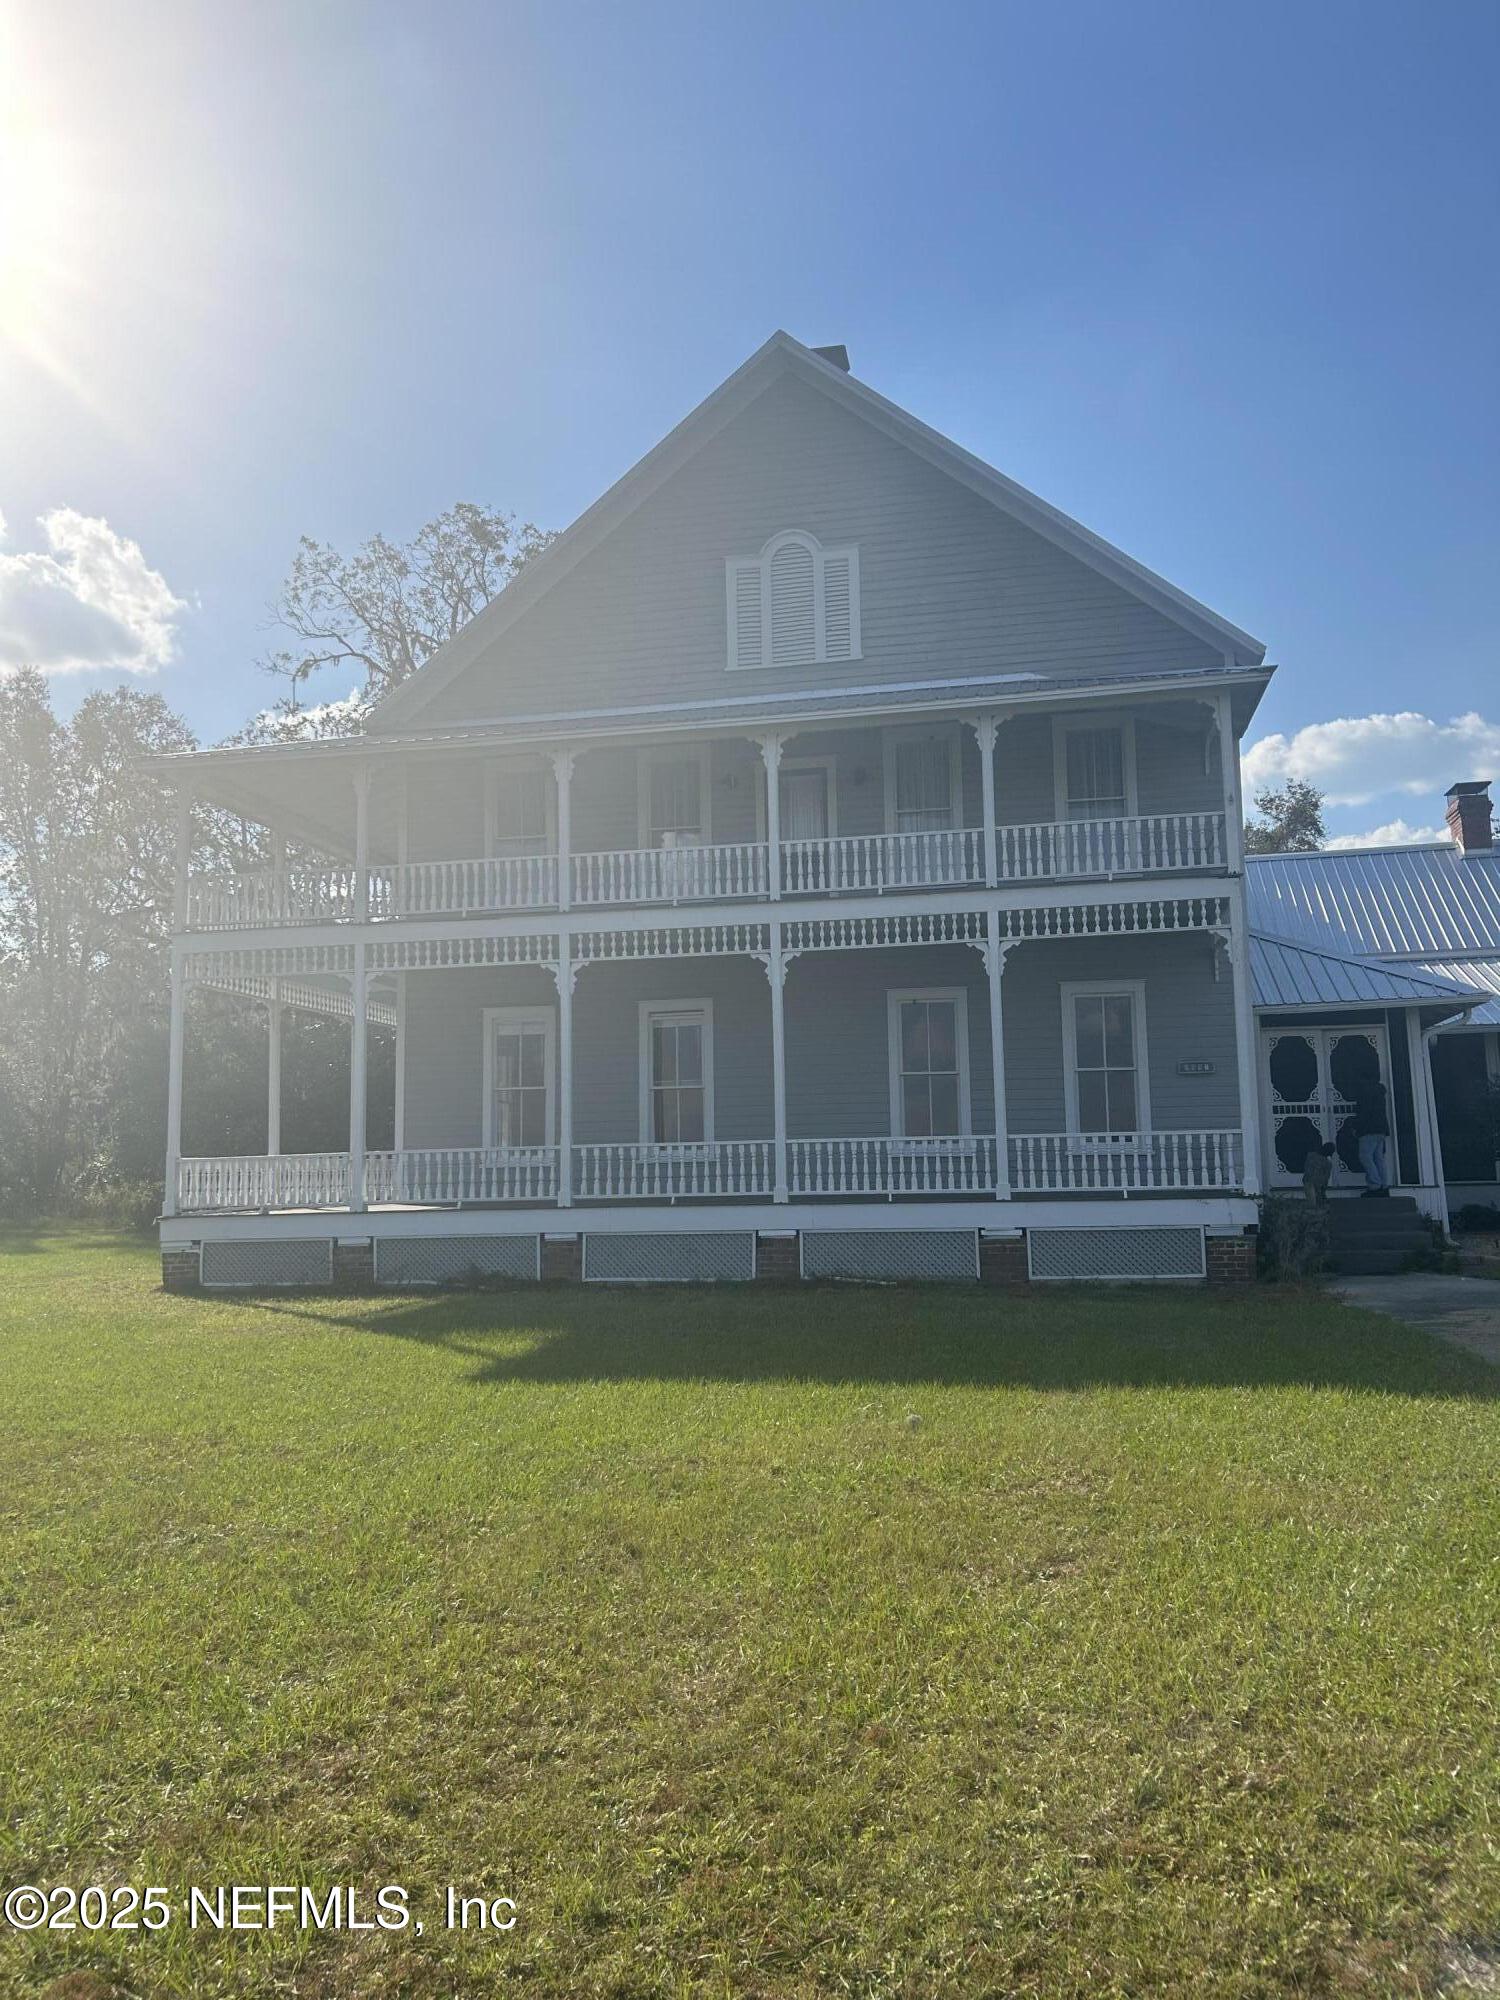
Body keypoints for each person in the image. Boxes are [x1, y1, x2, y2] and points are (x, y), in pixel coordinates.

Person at [1352, 1075, 1392, 1196]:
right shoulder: (1379, 1093)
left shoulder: (1365, 1093)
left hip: (1368, 1130)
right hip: (1381, 1129)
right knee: (1378, 1158)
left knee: (1365, 1157)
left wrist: (1357, 1128)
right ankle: (1384, 1186)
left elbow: (1364, 1113)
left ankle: (1375, 1186)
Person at [1302, 1140, 1335, 1205]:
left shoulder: (1310, 1155)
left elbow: (1307, 1169)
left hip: (1309, 1183)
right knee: (1315, 1204)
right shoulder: (1327, 1163)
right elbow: (1326, 1179)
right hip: (1315, 1185)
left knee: (1313, 1203)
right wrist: (1323, 1191)